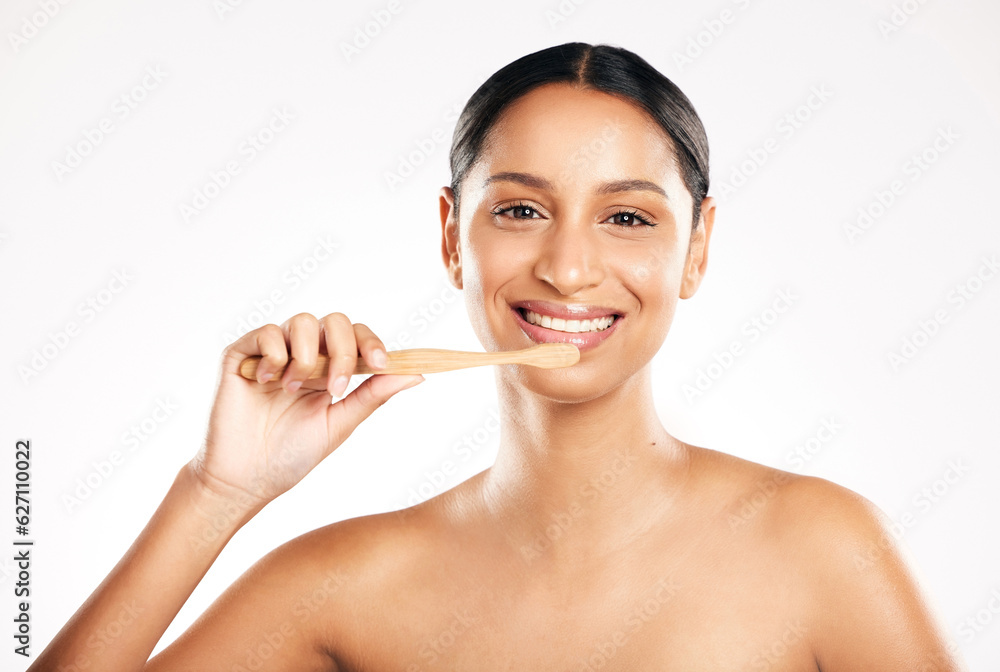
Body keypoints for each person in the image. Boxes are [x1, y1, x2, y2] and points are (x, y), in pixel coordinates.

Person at [30, 42, 965, 671]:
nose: (566, 267)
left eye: (628, 217)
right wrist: (216, 493)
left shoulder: (823, 549)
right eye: (519, 209)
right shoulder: (344, 585)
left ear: (698, 248)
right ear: (450, 236)